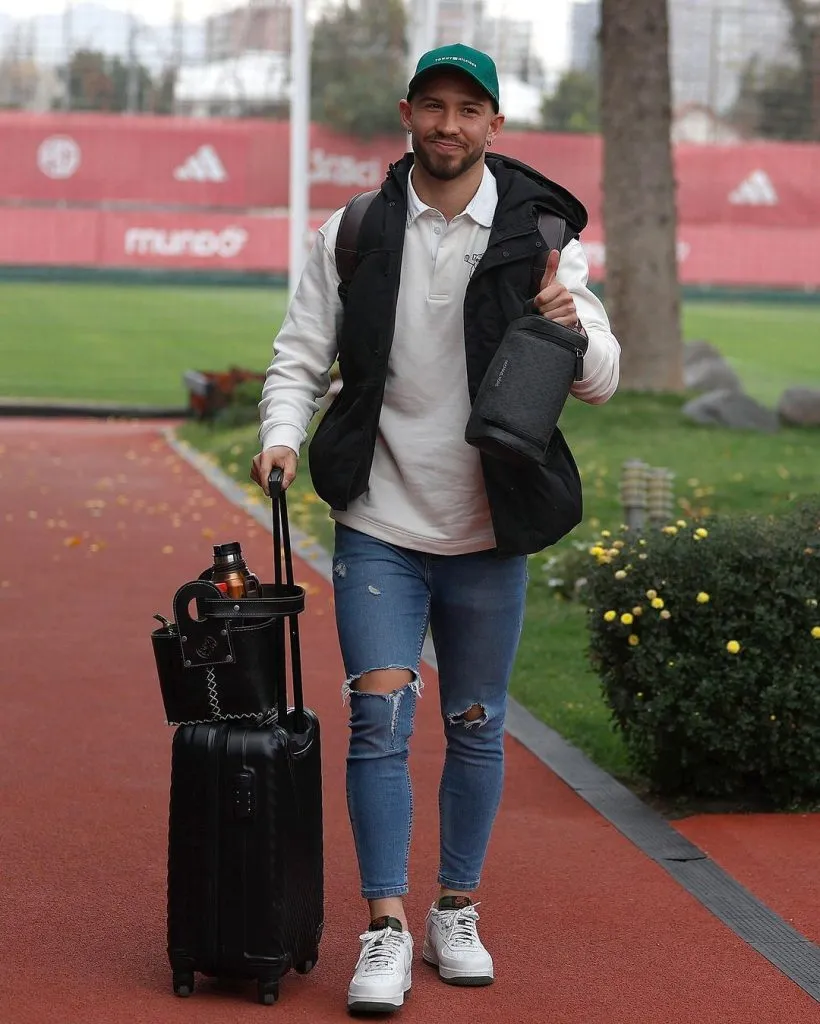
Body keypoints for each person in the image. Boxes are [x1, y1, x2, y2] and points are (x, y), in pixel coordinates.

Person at [251, 43, 620, 1014]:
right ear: (407, 113)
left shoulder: (541, 236)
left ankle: (457, 906)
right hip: (378, 515)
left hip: (488, 524)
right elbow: (297, 358)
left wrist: (570, 322)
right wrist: (283, 438)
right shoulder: (357, 229)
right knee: (377, 716)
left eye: (470, 109)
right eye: (434, 106)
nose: (449, 125)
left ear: (496, 125)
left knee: (475, 723)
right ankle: (383, 924)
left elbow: (603, 373)